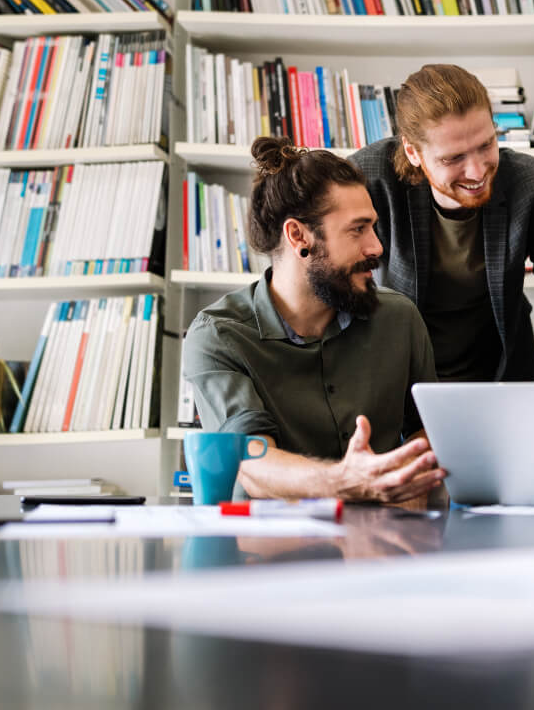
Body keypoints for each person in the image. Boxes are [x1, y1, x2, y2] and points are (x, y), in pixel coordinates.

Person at [181, 139, 445, 503]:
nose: (376, 247)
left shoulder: (400, 319)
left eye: (373, 227)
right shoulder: (218, 337)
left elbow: (427, 432)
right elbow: (252, 462)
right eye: (358, 229)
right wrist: (346, 482)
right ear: (298, 236)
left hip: (383, 534)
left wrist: (406, 486)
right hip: (269, 539)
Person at [349, 63, 534, 382]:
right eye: (453, 157)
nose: (477, 172)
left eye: (486, 145)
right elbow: (336, 288)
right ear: (413, 152)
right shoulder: (367, 180)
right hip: (399, 376)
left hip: (502, 375)